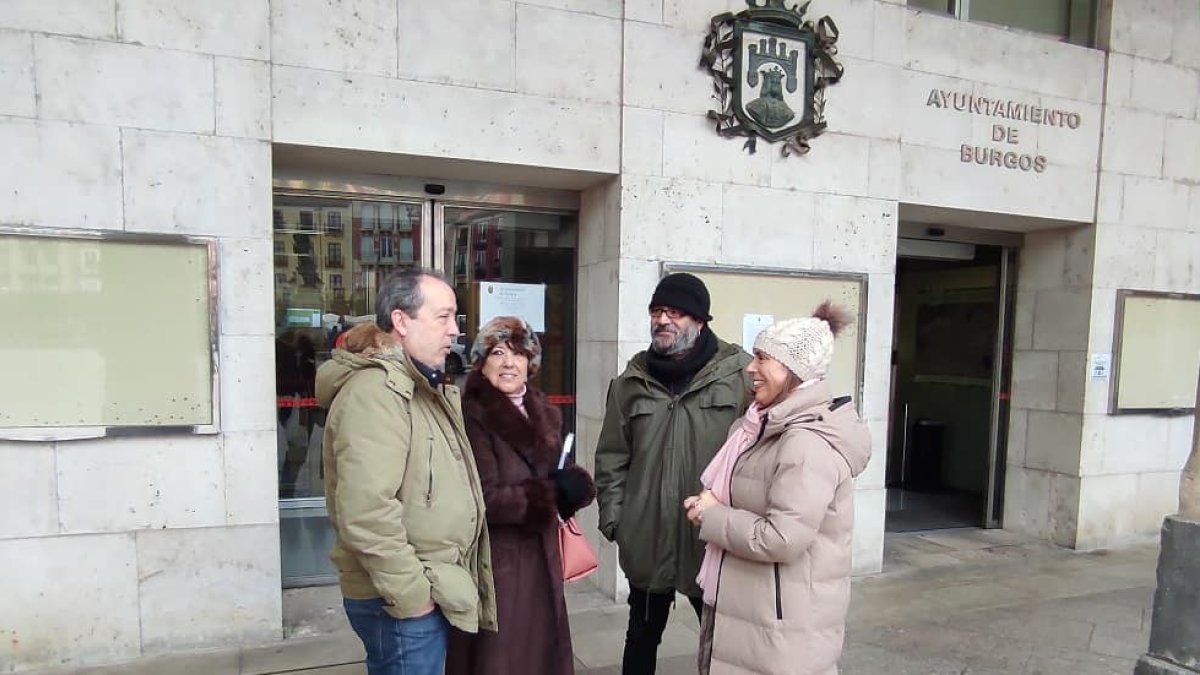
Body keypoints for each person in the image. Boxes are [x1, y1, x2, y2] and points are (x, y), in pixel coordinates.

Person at [315, 268, 496, 675]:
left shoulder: (421, 386)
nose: (455, 331)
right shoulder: (378, 394)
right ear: (401, 321)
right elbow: (366, 512)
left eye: (456, 319)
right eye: (443, 317)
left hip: (426, 588)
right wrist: (412, 596)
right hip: (401, 602)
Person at [684, 302, 872, 675]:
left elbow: (782, 538)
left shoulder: (804, 443)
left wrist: (712, 514)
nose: (750, 368)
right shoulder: (760, 426)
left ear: (795, 372)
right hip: (759, 613)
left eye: (763, 358)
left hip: (781, 626)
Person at [593, 272, 753, 675]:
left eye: (676, 312)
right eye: (657, 310)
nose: (663, 319)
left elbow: (759, 457)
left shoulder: (741, 377)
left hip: (711, 539)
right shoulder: (631, 382)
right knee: (641, 638)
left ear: (700, 320)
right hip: (646, 538)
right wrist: (617, 521)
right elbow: (611, 456)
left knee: (722, 647)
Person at [446, 316, 594, 675]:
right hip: (499, 564)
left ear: (531, 363)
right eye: (497, 352)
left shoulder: (545, 412)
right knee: (503, 658)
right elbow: (487, 497)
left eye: (518, 353)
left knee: (540, 654)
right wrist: (551, 494)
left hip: (544, 556)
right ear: (482, 363)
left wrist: (576, 485)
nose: (509, 362)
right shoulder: (472, 414)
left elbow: (556, 470)